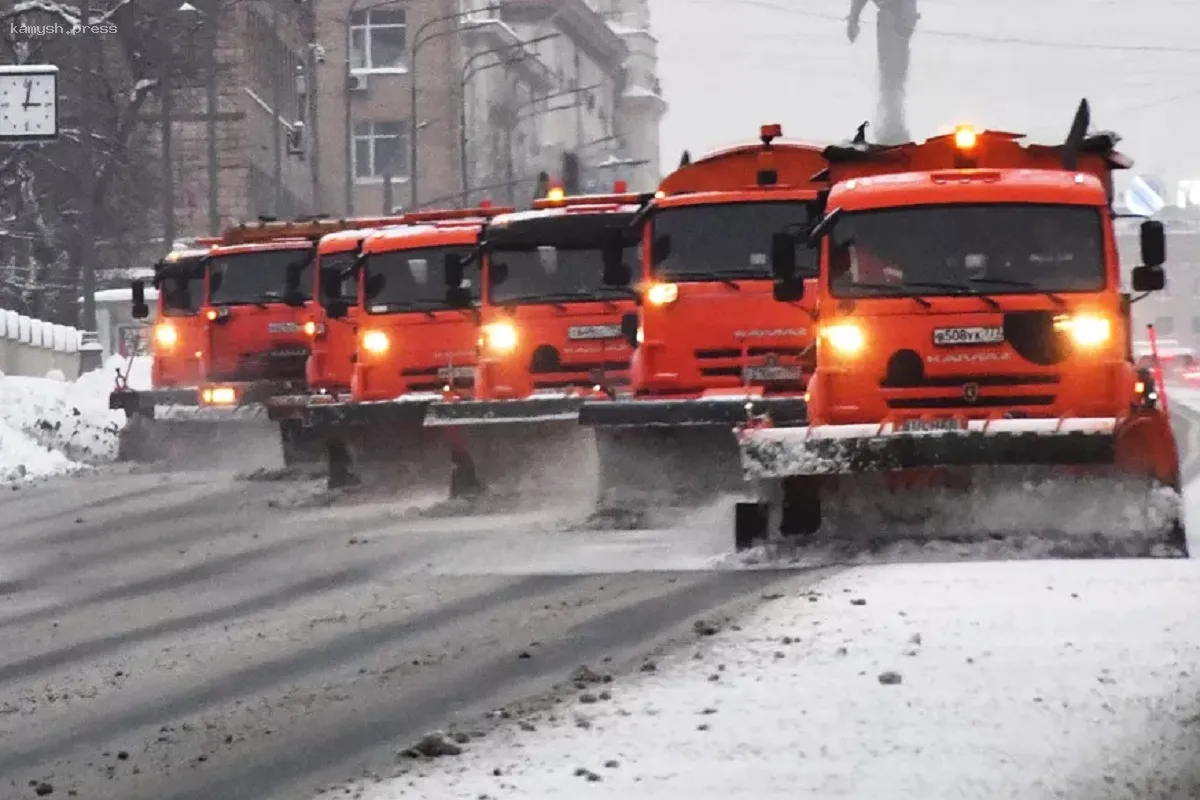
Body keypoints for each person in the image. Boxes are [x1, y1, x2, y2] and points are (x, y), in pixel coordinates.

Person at [847, 0, 919, 145]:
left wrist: (853, 19)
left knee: (894, 74)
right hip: (893, 17)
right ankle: (891, 127)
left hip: (899, 17)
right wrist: (853, 18)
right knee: (891, 74)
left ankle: (892, 126)